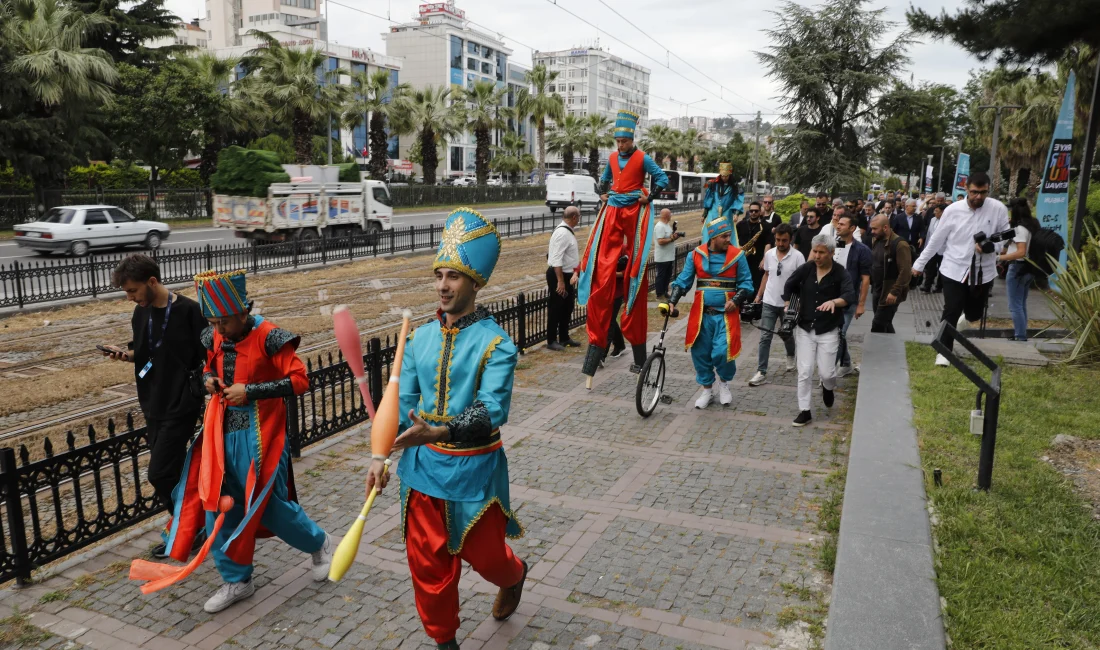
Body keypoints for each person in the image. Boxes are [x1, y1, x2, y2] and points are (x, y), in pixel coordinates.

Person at [367, 209, 527, 650]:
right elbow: (401, 406)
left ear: (475, 282)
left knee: (490, 559)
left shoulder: (498, 344)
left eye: (454, 275)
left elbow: (493, 409)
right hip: (421, 474)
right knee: (429, 569)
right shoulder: (418, 339)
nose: (442, 285)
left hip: (474, 473)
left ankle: (514, 575)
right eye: (439, 274)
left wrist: (440, 431)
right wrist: (380, 456)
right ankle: (444, 641)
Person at [141, 270, 331, 613]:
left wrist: (252, 392)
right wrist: (210, 379)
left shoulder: (271, 336)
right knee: (217, 504)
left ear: (243, 311)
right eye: (212, 323)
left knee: (268, 506)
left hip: (262, 436)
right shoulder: (211, 336)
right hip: (219, 434)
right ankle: (237, 579)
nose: (218, 330)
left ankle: (319, 543)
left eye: (224, 322)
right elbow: (205, 369)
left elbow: (301, 380)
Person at [106, 254, 209, 559]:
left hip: (181, 404)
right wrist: (127, 355)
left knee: (159, 474)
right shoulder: (141, 313)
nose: (130, 298)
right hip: (152, 402)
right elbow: (147, 350)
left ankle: (191, 525)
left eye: (133, 291)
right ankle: (189, 528)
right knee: (174, 473)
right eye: (127, 293)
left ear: (152, 282)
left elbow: (210, 353)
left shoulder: (189, 311)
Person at [579, 110, 669, 376]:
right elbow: (605, 180)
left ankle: (638, 356)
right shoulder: (612, 158)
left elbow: (662, 178)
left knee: (633, 267)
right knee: (601, 260)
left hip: (632, 211)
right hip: (614, 210)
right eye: (617, 141)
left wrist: (649, 197)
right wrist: (603, 194)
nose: (620, 145)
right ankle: (597, 349)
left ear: (632, 139)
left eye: (624, 141)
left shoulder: (642, 158)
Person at [913, 172, 1010, 366]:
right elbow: (937, 239)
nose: (978, 197)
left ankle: (959, 322)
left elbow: (1005, 233)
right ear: (966, 188)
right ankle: (944, 351)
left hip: (983, 271)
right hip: (953, 268)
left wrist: (994, 246)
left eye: (983, 192)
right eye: (974, 192)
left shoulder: (997, 208)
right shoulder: (952, 210)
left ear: (988, 190)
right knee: (952, 309)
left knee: (975, 314)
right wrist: (919, 264)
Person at [668, 214, 754, 409]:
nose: (728, 240)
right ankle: (707, 389)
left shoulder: (737, 256)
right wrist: (672, 301)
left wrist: (736, 299)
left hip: (726, 315)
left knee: (723, 352)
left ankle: (724, 383)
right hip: (701, 315)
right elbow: (683, 281)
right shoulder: (696, 255)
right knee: (700, 353)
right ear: (713, 237)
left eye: (729, 235)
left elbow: (747, 284)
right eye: (724, 236)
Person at [782, 234, 856, 427]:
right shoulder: (806, 269)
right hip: (805, 328)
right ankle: (804, 411)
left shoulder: (840, 273)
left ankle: (828, 387)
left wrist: (834, 302)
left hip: (828, 329)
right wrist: (788, 304)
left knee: (827, 373)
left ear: (831, 253)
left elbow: (849, 295)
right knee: (804, 371)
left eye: (821, 252)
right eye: (815, 251)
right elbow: (789, 285)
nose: (817, 256)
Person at [749, 224, 804, 386]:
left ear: (791, 239)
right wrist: (758, 296)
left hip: (789, 303)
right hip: (769, 301)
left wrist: (798, 303)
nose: (781, 243)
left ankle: (790, 355)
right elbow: (766, 275)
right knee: (765, 337)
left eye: (784, 240)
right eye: (778, 240)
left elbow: (801, 282)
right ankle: (761, 371)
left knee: (786, 334)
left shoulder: (798, 257)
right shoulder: (769, 254)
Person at [834, 215, 871, 376]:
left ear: (852, 228)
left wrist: (861, 304)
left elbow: (865, 279)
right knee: (837, 333)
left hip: (849, 300)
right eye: (837, 223)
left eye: (842, 224)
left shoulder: (862, 250)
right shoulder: (836, 244)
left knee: (839, 334)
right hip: (832, 298)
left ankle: (829, 371)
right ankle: (847, 363)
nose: (838, 226)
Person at [999, 199, 1039, 341]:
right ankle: (1020, 332)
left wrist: (1000, 258)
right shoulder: (1033, 225)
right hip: (1029, 268)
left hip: (1018, 267)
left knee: (1015, 305)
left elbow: (1021, 252)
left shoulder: (1020, 229)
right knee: (1021, 303)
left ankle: (1020, 335)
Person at [869, 214, 912, 334]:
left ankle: (878, 350)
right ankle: (891, 349)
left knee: (877, 324)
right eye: (871, 228)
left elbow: (905, 271)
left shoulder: (900, 244)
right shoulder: (876, 240)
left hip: (890, 291)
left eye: (875, 229)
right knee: (884, 323)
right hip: (877, 289)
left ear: (885, 227)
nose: (872, 231)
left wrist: (894, 292)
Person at [545, 206, 581, 351]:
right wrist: (560, 281)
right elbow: (556, 259)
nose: (579, 219)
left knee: (567, 307)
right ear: (574, 217)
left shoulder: (567, 231)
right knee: (556, 308)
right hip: (559, 276)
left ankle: (564, 337)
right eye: (579, 216)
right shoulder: (562, 233)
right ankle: (551, 340)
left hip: (567, 275)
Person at [736, 200, 774, 291]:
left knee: (756, 283)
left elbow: (768, 243)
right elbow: (735, 241)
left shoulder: (765, 226)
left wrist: (764, 259)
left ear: (760, 212)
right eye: (751, 211)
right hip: (742, 258)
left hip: (757, 260)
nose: (753, 213)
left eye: (756, 211)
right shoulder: (740, 225)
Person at [701, 162, 740, 243]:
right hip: (713, 212)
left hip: (727, 212)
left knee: (726, 233)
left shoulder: (735, 186)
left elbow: (737, 200)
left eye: (726, 176)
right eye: (722, 176)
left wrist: (736, 213)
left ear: (730, 175)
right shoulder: (713, 184)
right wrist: (704, 214)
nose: (724, 178)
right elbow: (708, 199)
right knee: (709, 232)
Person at [653, 207, 683, 300]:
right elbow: (660, 241)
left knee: (668, 275)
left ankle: (665, 291)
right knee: (661, 275)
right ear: (666, 216)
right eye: (670, 214)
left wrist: (674, 236)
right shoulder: (660, 226)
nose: (671, 216)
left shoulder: (667, 225)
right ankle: (659, 293)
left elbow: (669, 238)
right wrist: (671, 239)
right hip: (662, 257)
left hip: (669, 256)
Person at [919, 204, 946, 293]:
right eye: (934, 211)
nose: (934, 213)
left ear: (943, 212)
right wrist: (927, 247)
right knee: (930, 269)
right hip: (933, 248)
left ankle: (939, 287)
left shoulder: (947, 221)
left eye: (936, 211)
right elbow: (929, 235)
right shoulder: (933, 220)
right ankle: (927, 287)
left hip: (943, 249)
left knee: (942, 270)